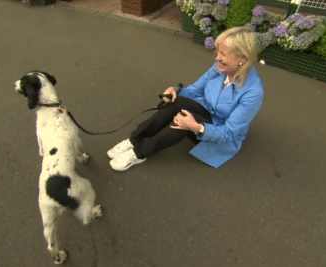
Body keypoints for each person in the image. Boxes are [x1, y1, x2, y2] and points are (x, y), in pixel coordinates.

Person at [107, 25, 264, 171]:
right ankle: (135, 140)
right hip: (206, 112)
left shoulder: (254, 92)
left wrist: (196, 127)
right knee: (178, 101)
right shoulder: (220, 67)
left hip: (217, 132)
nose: (217, 58)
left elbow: (228, 133)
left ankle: (139, 153)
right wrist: (175, 92)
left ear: (242, 59)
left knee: (184, 120)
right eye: (218, 52)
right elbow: (194, 90)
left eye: (223, 54)